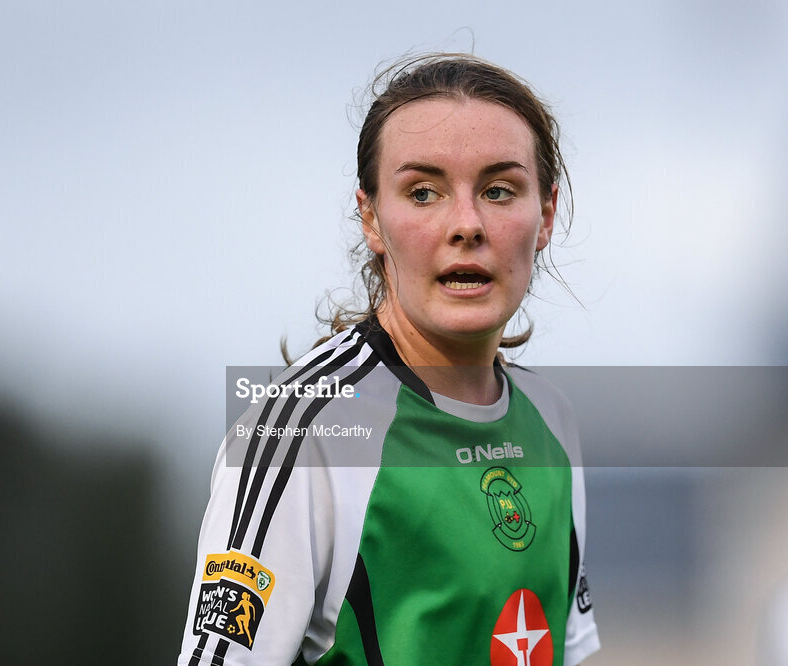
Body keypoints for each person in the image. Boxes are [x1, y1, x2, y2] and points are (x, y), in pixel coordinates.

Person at [178, 53, 600, 665]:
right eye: (423, 193)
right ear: (372, 217)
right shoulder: (305, 436)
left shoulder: (551, 422)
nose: (466, 224)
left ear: (547, 215)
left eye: (500, 190)